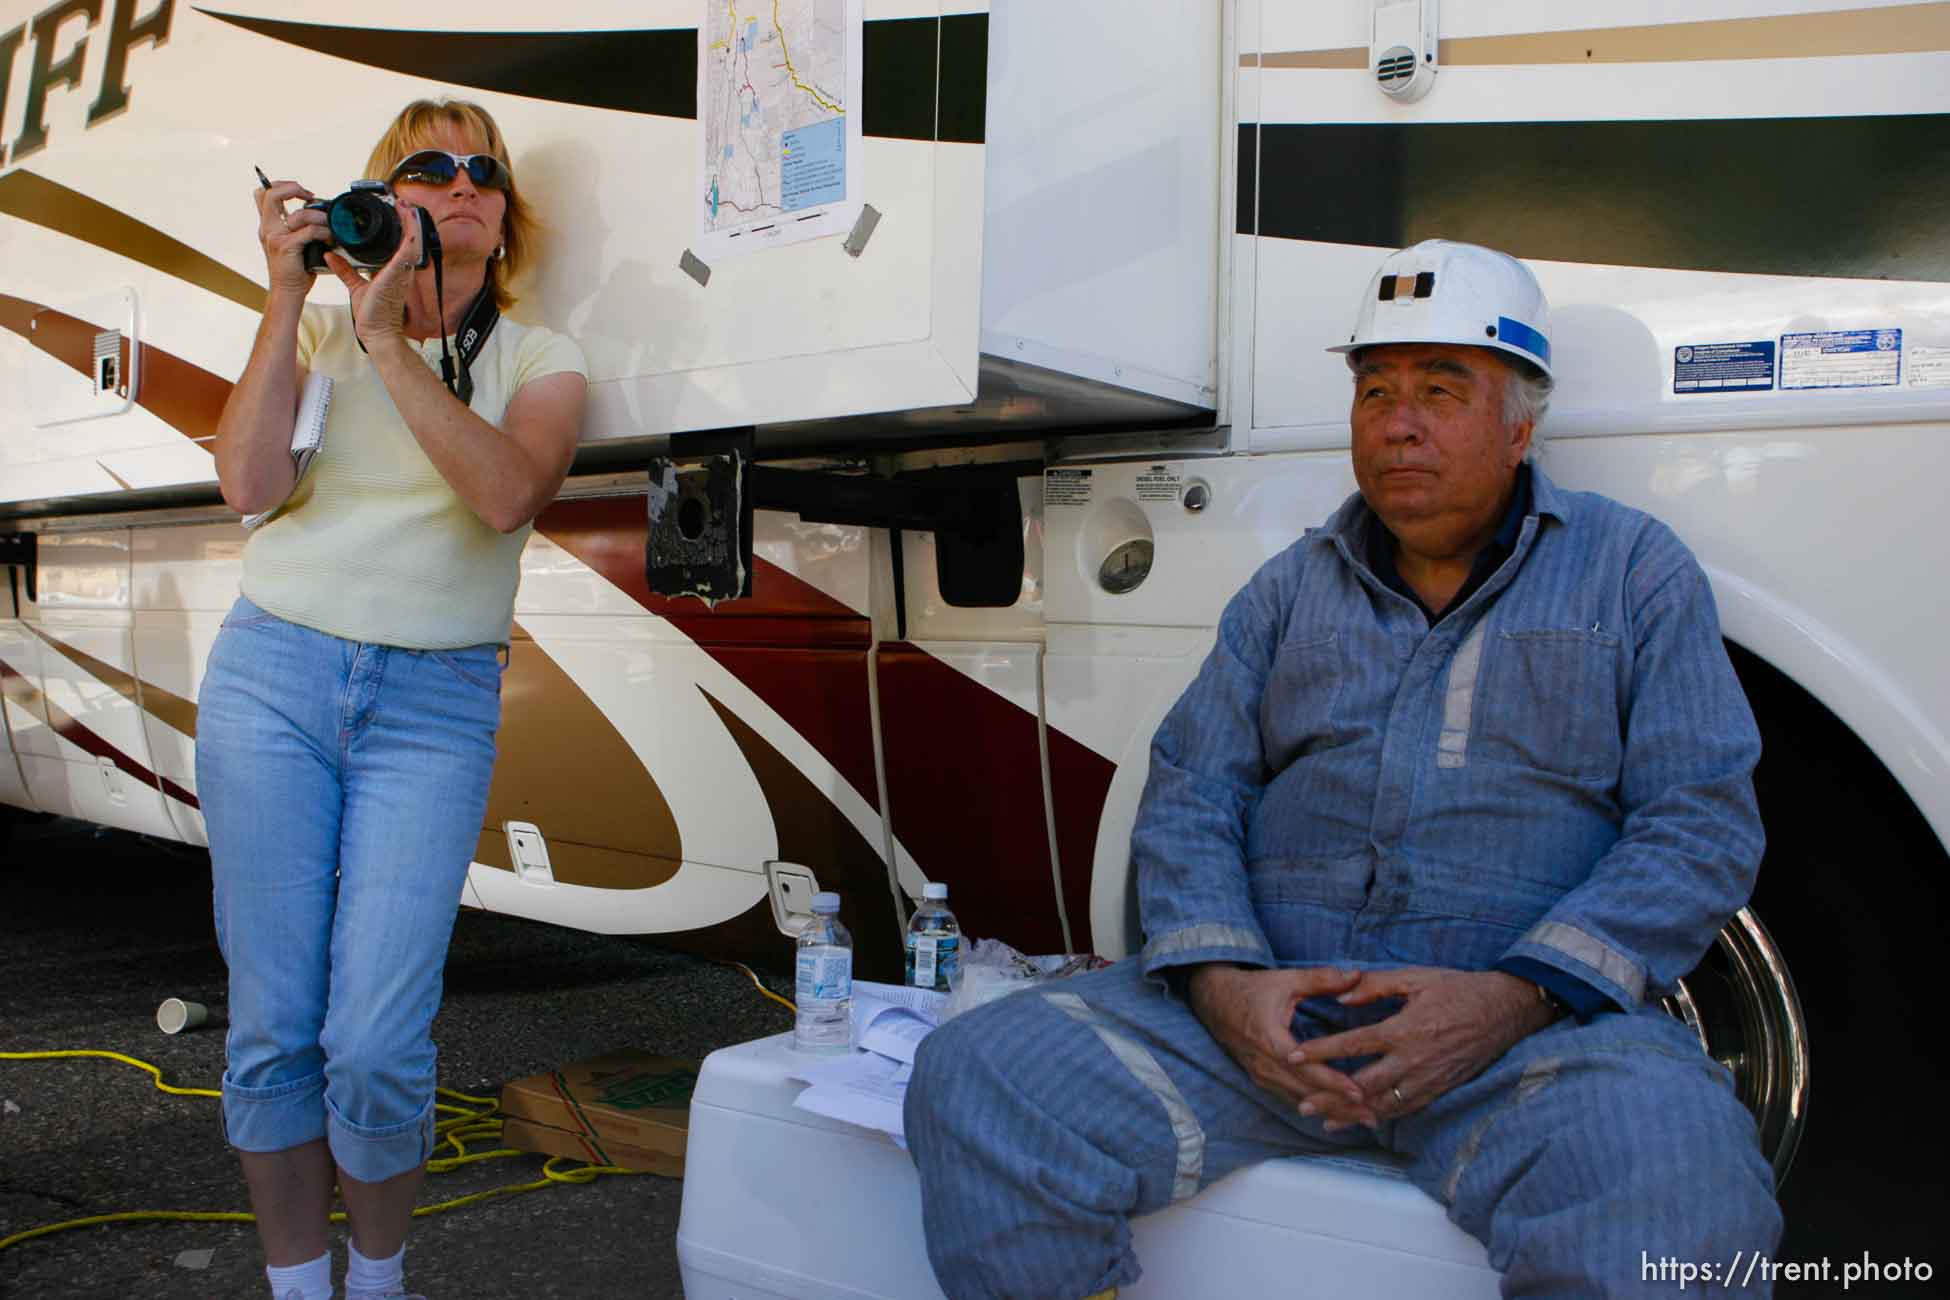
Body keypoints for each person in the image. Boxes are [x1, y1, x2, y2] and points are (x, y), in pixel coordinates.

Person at [905, 239, 1782, 1299]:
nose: (1398, 422)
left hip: (1528, 1045)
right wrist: (1229, 991)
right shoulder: (1287, 591)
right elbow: (1190, 793)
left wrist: (1506, 1001)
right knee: (981, 1077)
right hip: (1264, 1037)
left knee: (1682, 1188)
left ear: (1522, 425)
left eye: (1442, 389)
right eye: (1375, 390)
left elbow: (1700, 823)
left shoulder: (1634, 571)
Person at [200, 99, 587, 1300]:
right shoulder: (316, 337)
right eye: (431, 166)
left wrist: (390, 343)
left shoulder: (542, 356)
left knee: (372, 1040)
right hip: (275, 676)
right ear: (385, 203)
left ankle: (379, 1279)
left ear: (503, 217)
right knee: (275, 1026)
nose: (463, 182)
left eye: (485, 171)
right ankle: (298, 1286)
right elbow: (248, 480)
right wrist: (288, 292)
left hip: (433, 702)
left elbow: (504, 493)